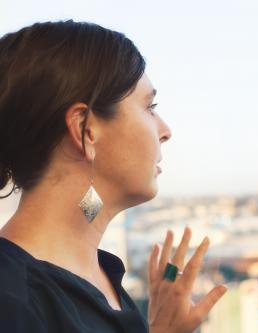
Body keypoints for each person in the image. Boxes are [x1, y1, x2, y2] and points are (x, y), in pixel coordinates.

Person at [0, 20, 227, 332]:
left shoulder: (99, 275)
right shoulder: (13, 303)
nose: (165, 131)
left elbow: (84, 206)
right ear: (86, 130)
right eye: (150, 107)